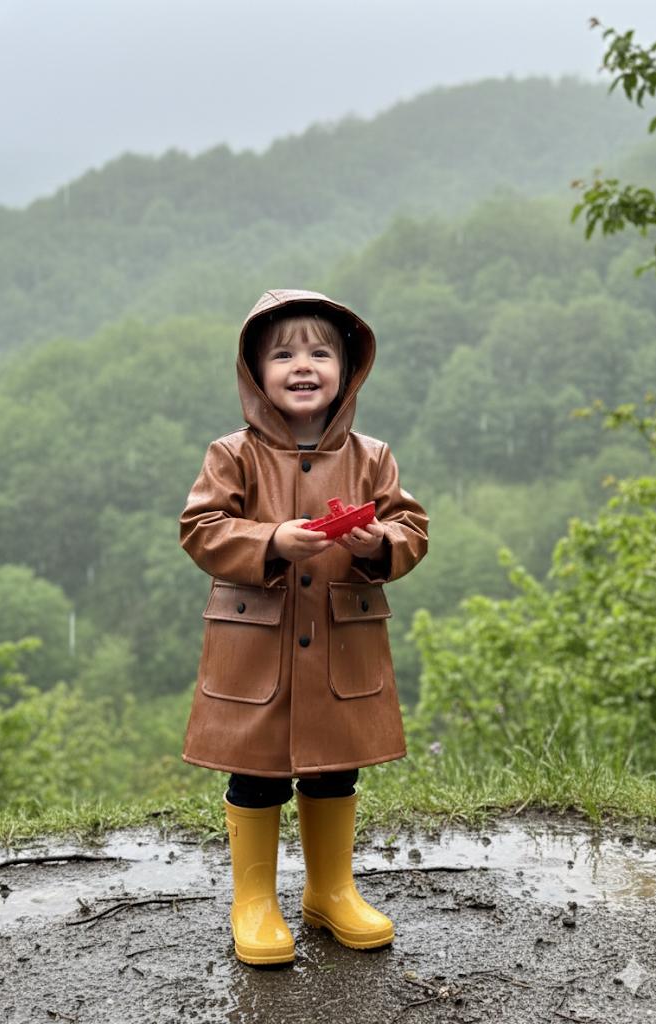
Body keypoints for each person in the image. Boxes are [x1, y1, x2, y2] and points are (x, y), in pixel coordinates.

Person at [179, 288, 428, 966]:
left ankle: (329, 892)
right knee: (255, 773)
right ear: (254, 373)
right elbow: (201, 529)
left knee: (333, 771)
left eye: (320, 352)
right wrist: (269, 542)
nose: (302, 365)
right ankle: (253, 904)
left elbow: (411, 528)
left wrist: (377, 543)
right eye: (282, 353)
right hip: (255, 647)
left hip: (342, 644)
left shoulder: (373, 456)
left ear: (347, 369)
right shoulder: (231, 453)